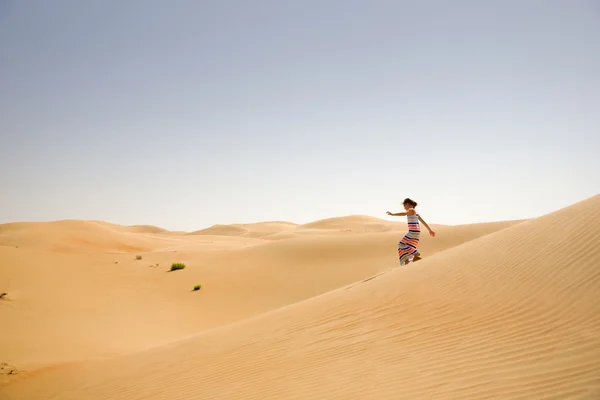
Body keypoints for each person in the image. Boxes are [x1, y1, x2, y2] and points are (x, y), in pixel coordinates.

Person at [387, 198, 435, 266]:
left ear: (407, 204)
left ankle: (416, 253)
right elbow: (422, 222)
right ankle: (407, 260)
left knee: (401, 244)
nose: (404, 208)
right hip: (417, 232)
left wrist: (392, 214)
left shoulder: (411, 210)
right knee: (406, 248)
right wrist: (430, 230)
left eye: (404, 205)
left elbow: (404, 214)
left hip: (413, 232)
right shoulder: (416, 212)